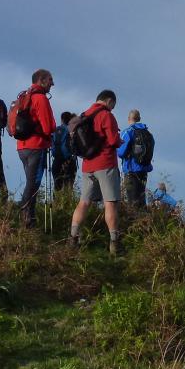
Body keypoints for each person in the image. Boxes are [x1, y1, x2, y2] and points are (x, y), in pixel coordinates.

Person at [69, 90, 123, 254]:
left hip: (87, 165)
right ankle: (115, 243)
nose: (113, 108)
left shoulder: (85, 115)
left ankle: (73, 238)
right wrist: (121, 140)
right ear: (109, 101)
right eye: (113, 105)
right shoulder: (106, 115)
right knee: (110, 203)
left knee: (84, 202)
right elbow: (113, 140)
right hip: (105, 163)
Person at [16, 69, 57, 226]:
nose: (52, 83)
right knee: (33, 182)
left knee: (30, 181)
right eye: (50, 80)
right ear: (41, 80)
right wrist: (53, 128)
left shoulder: (25, 96)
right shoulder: (40, 98)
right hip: (37, 145)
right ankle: (27, 219)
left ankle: (28, 217)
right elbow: (48, 127)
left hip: (22, 146)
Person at [117, 109, 154, 208]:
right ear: (139, 119)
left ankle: (134, 221)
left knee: (132, 200)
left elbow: (121, 153)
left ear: (129, 119)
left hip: (131, 170)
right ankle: (144, 220)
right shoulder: (148, 134)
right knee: (141, 199)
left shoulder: (128, 132)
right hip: (144, 169)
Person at [51, 111, 77, 192]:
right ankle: (68, 204)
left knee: (57, 186)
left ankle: (56, 204)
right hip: (69, 160)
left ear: (62, 120)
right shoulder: (72, 130)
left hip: (56, 161)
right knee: (68, 187)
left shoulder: (55, 130)